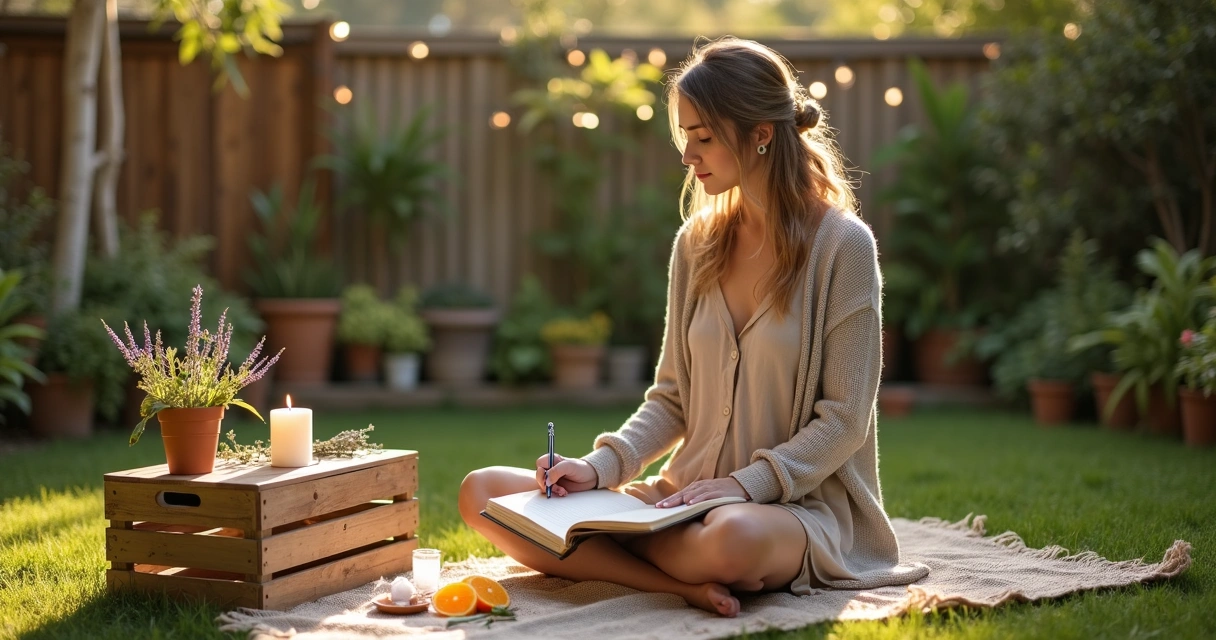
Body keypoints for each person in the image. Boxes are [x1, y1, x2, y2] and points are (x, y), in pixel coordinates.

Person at [459, 36, 930, 618]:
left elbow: (844, 420)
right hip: (679, 499)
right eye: (685, 137)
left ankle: (607, 551)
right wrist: (598, 469)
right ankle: (678, 583)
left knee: (732, 540)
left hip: (788, 509)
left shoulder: (844, 248)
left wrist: (745, 484)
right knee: (482, 493)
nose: (687, 155)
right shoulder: (696, 244)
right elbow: (672, 398)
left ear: (760, 133)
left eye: (703, 137)